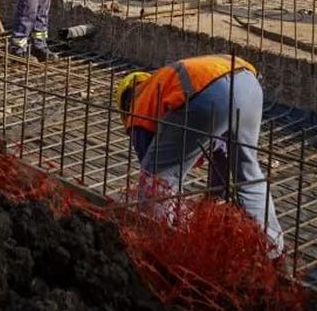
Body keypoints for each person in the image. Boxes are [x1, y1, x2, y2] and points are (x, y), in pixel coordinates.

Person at [114, 55, 282, 248]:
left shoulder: (140, 105)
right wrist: (214, 199)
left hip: (207, 93)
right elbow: (222, 152)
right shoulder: (165, 84)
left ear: (126, 106)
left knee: (155, 182)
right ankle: (273, 248)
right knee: (248, 174)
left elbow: (157, 173)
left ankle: (164, 244)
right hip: (248, 83)